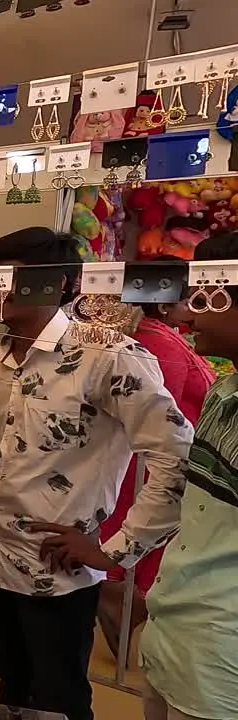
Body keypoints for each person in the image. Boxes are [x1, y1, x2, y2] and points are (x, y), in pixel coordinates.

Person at [0, 228, 191, 720]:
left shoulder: (106, 356)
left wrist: (114, 550)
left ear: (61, 284)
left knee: (59, 697)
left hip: (58, 570)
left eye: (14, 278)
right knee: (10, 686)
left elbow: (176, 456)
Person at [139, 232, 238, 720]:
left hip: (221, 660)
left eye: (207, 297)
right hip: (175, 634)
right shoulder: (224, 393)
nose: (191, 313)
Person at [97, 291, 214, 660]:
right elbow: (165, 414)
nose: (193, 314)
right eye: (190, 302)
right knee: (152, 538)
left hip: (164, 463)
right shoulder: (155, 341)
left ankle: (123, 603)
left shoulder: (165, 335)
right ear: (164, 304)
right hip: (155, 467)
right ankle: (118, 600)